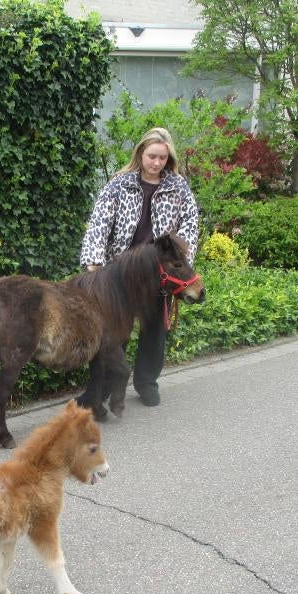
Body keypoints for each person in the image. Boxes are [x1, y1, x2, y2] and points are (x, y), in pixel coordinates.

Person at [78, 126, 199, 406]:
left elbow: (190, 226)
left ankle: (146, 382)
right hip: (120, 273)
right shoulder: (119, 184)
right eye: (152, 156)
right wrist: (93, 262)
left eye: (162, 158)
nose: (157, 163)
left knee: (155, 330)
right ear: (141, 153)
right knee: (112, 333)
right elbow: (99, 223)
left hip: (159, 272)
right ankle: (102, 388)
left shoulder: (178, 187)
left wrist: (182, 265)